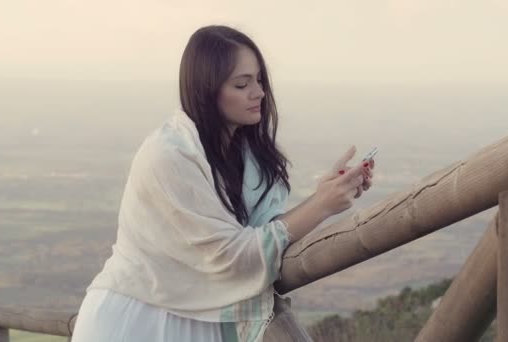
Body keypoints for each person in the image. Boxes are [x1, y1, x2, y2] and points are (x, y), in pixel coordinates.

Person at [71, 25, 375, 342]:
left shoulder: (243, 154)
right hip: (134, 321)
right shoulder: (169, 156)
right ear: (206, 90)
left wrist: (325, 195)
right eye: (242, 84)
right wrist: (320, 206)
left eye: (259, 80)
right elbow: (229, 256)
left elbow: (256, 236)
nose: (258, 92)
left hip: (200, 320)